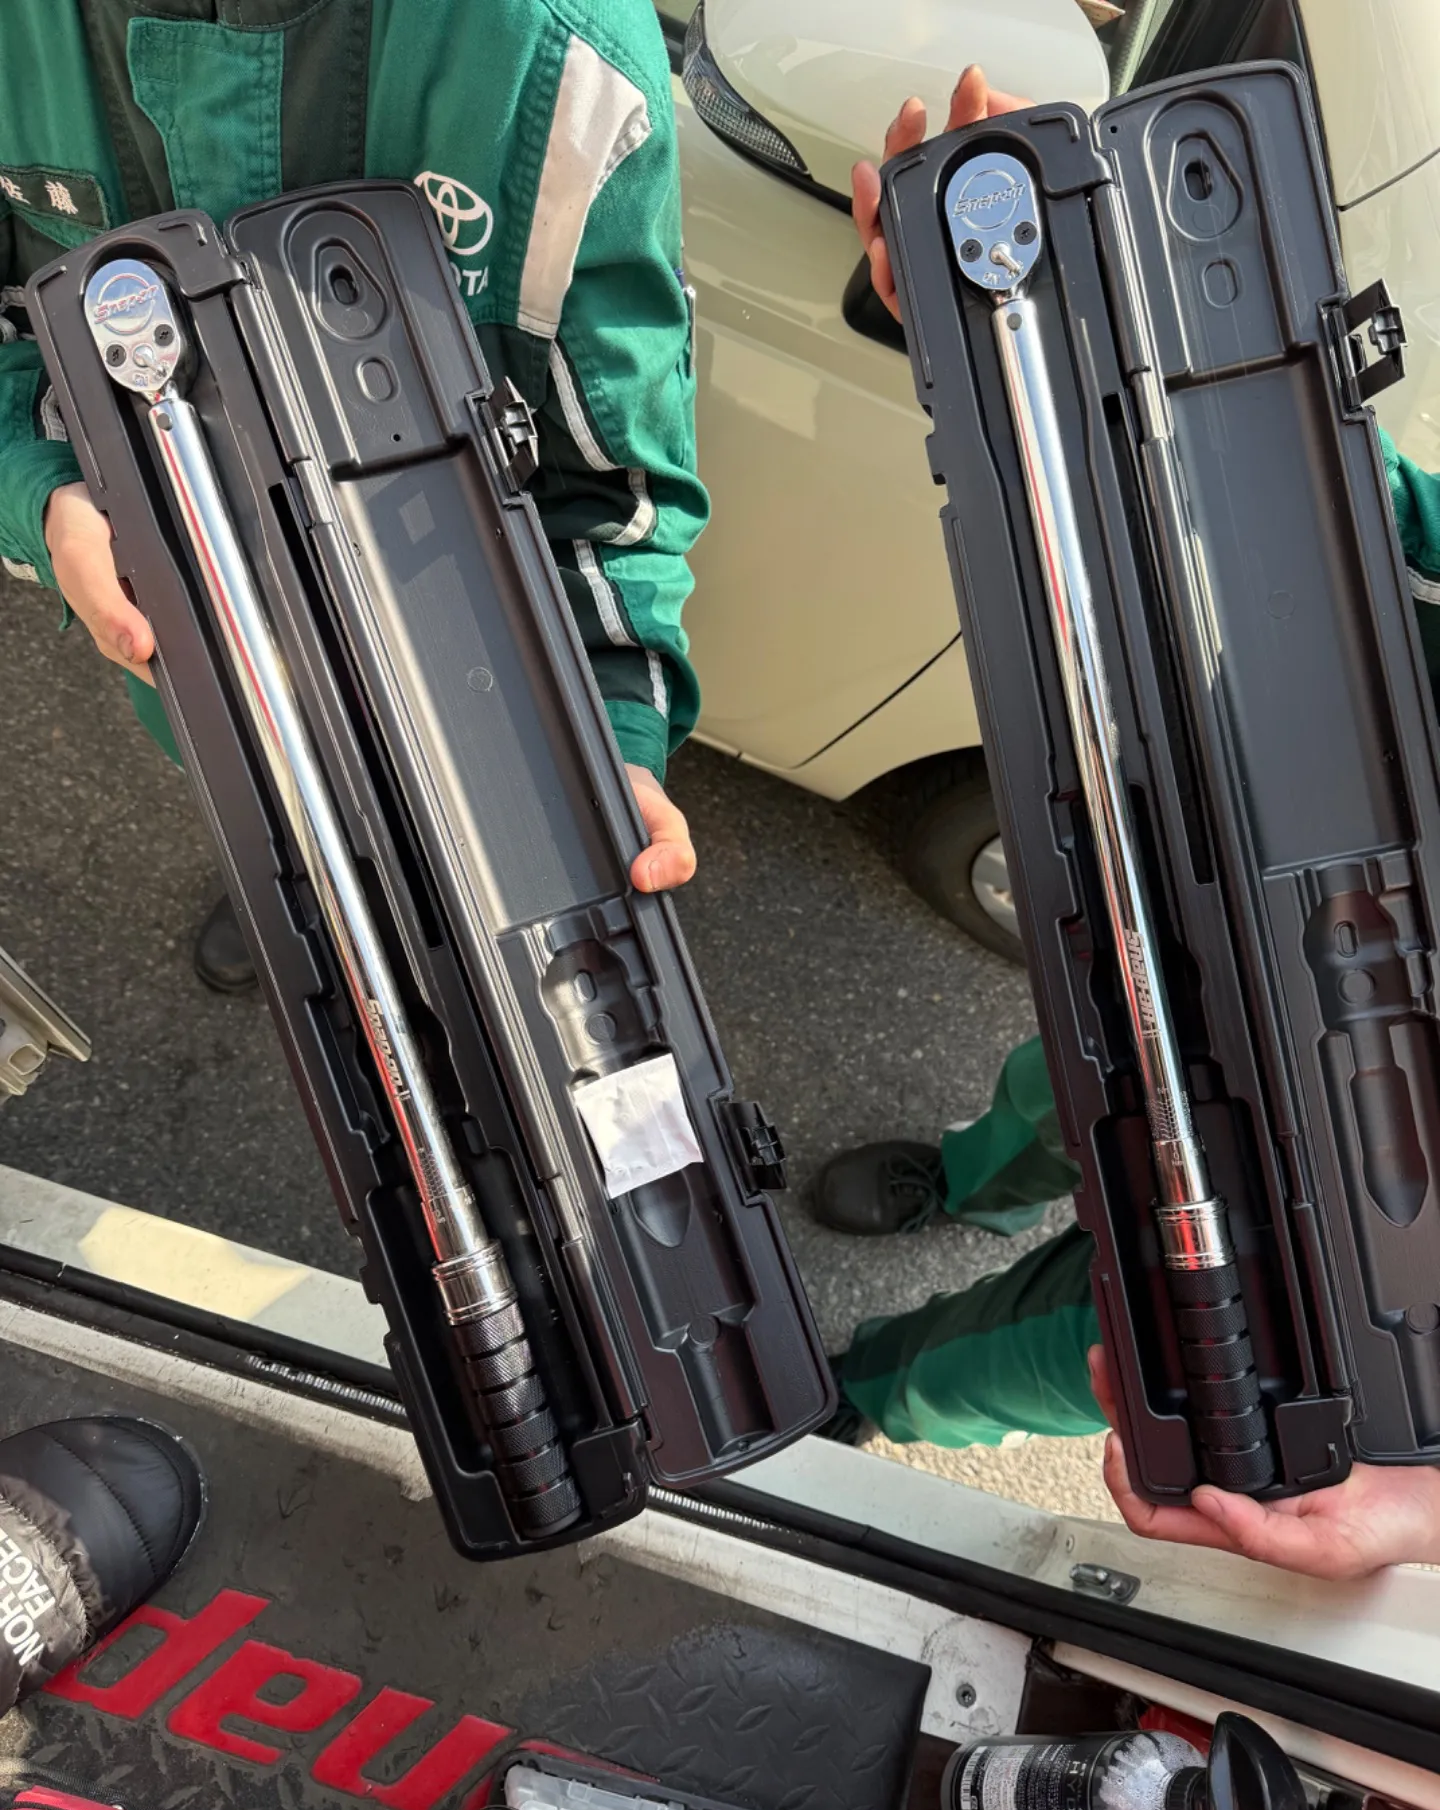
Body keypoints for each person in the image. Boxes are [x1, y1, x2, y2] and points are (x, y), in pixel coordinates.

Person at [818, 68, 1440, 1581]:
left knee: (1019, 1355)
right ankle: (971, 1187)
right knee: (1051, 1096)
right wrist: (1055, 327)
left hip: (1354, 1263)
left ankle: (857, 1398)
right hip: (1195, 919)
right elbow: (1352, 506)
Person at [0, 0, 704, 993]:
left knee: (458, 892)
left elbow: (612, 486)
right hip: (204, 689)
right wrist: (36, 493)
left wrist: (609, 741)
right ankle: (298, 878)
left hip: (471, 700)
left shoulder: (562, 55)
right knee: (278, 828)